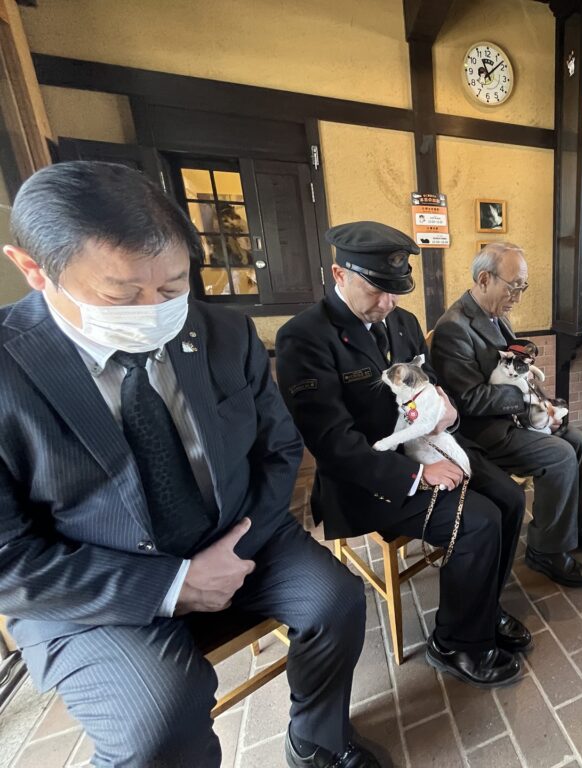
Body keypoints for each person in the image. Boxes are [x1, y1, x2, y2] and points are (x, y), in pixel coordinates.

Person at [0, 162, 375, 768]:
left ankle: (317, 739)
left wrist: (235, 547)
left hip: (236, 534)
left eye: (173, 287)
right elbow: (8, 559)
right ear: (34, 269)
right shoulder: (9, 370)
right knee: (160, 722)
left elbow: (279, 448)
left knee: (336, 602)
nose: (153, 310)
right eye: (122, 294)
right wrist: (172, 585)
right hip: (94, 578)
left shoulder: (223, 332)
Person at [274, 221, 529, 688]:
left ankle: (482, 608)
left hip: (425, 445)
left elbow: (430, 388)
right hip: (368, 477)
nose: (388, 303)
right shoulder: (305, 337)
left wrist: (447, 412)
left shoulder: (404, 323)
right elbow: (332, 442)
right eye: (376, 290)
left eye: (395, 290)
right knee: (479, 520)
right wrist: (417, 475)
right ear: (339, 274)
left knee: (509, 499)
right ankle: (456, 643)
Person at [430, 242, 582, 588]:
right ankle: (546, 551)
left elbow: (519, 371)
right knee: (560, 455)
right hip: (482, 433)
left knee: (577, 440)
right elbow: (468, 400)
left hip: (512, 418)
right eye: (513, 286)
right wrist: (526, 402)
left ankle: (574, 529)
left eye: (522, 287)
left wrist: (544, 405)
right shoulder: (454, 327)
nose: (518, 296)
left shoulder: (496, 315)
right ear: (484, 279)